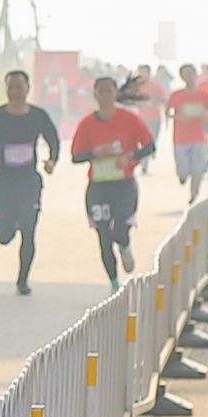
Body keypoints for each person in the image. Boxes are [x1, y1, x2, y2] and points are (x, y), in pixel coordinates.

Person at [0, 70, 60, 296]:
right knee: (4, 236)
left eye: (19, 87)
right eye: (11, 88)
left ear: (28, 88)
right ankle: (7, 224)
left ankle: (23, 280)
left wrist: (51, 161)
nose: (15, 92)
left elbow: (53, 140)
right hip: (3, 182)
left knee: (29, 231)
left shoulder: (38, 116)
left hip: (29, 182)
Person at [71, 76, 154, 290]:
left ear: (116, 94)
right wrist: (95, 153)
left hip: (124, 185)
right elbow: (76, 156)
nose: (105, 95)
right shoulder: (87, 124)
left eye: (109, 91)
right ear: (95, 95)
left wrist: (130, 157)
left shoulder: (129, 119)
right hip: (98, 188)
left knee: (119, 229)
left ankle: (125, 245)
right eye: (101, 91)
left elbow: (149, 146)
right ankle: (114, 282)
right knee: (104, 235)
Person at [166, 63, 208, 204]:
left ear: (196, 74)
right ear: (182, 77)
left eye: (191, 73)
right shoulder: (176, 95)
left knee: (198, 169)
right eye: (185, 74)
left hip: (198, 137)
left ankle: (194, 195)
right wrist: (178, 117)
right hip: (180, 138)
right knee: (183, 170)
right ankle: (182, 176)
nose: (188, 77)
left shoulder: (203, 95)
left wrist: (207, 115)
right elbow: (168, 112)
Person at [135, 65, 168, 174]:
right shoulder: (136, 86)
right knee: (145, 142)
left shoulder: (156, 86)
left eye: (144, 72)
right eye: (140, 72)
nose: (141, 75)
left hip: (155, 118)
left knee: (152, 140)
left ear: (149, 73)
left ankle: (151, 152)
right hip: (142, 118)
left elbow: (163, 100)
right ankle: (144, 165)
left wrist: (154, 101)